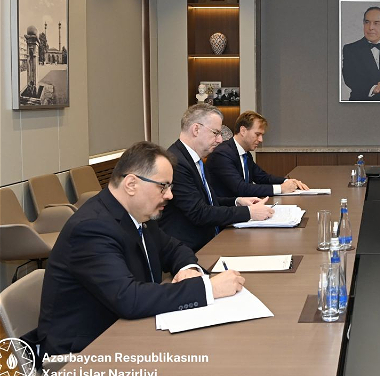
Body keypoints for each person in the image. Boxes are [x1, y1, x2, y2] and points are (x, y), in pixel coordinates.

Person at [27, 142, 246, 356]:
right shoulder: (91, 228)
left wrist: (189, 269)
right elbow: (129, 298)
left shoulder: (138, 214)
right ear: (131, 184)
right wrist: (208, 288)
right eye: (163, 186)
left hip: (126, 330)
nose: (169, 195)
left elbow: (173, 248)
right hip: (83, 352)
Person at [159, 104, 274, 251]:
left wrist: (237, 201)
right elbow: (199, 212)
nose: (220, 140)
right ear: (196, 129)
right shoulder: (176, 163)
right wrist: (250, 212)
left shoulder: (195, 159)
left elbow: (208, 201)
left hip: (209, 239)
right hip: (192, 249)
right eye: (215, 133)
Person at [206, 110, 309, 197]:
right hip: (227, 210)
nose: (261, 140)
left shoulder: (245, 154)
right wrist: (280, 188)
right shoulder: (222, 154)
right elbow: (241, 188)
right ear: (243, 131)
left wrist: (287, 182)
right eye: (257, 134)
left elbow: (262, 177)